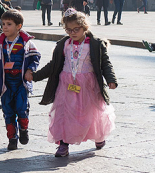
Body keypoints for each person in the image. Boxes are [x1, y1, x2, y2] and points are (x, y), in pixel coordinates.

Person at [30, 8, 117, 158]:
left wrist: (111, 79)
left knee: (92, 113)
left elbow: (105, 64)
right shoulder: (64, 44)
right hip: (66, 84)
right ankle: (64, 144)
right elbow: (54, 64)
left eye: (76, 29)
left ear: (85, 27)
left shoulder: (95, 44)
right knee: (64, 113)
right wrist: (36, 76)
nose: (72, 33)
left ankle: (98, 136)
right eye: (69, 30)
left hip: (88, 85)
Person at [0, 10, 40, 150]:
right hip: (5, 84)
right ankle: (12, 138)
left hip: (21, 83)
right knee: (8, 111)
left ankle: (23, 129)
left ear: (18, 26)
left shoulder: (26, 43)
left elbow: (35, 57)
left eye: (9, 24)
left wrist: (30, 70)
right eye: (3, 24)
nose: (5, 27)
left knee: (22, 109)